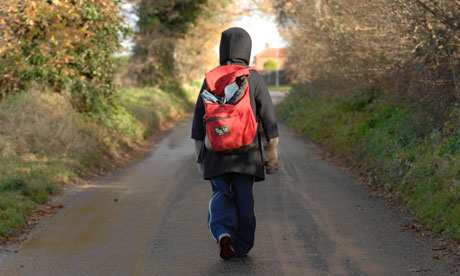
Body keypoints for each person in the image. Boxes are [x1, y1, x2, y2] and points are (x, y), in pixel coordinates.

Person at [191, 27, 279, 260]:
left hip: (215, 153)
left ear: (222, 49)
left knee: (221, 195)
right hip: (247, 155)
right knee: (244, 199)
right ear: (247, 50)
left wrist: (200, 156)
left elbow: (198, 120)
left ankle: (223, 234)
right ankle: (242, 246)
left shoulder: (211, 77)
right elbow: (268, 117)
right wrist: (272, 156)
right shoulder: (253, 77)